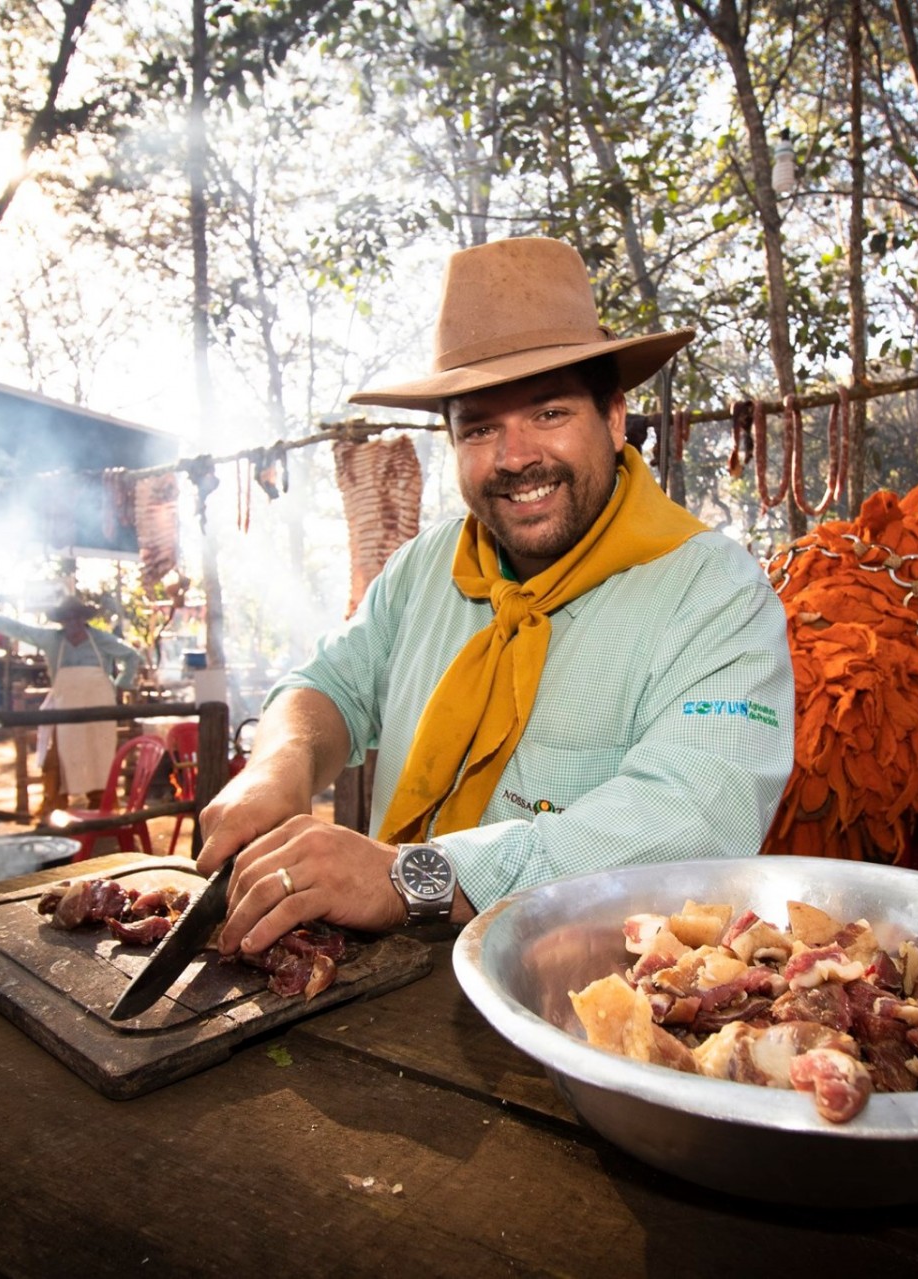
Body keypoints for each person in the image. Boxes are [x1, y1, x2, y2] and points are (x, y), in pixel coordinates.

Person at [197, 236, 794, 959]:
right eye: (479, 426)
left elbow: (695, 814)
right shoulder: (425, 568)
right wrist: (279, 766)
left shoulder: (714, 595)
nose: (514, 458)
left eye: (548, 414)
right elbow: (326, 686)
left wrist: (411, 876)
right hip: (377, 993)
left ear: (612, 416)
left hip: (579, 1003)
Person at [0, 596, 141, 811]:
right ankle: (54, 810)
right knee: (57, 760)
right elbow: (16, 628)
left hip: (99, 710)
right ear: (62, 621)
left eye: (77, 618)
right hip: (64, 711)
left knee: (101, 757)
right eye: (68, 619)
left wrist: (121, 684)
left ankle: (103, 809)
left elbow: (132, 657)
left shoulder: (101, 639)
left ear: (84, 619)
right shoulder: (51, 640)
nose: (73, 624)